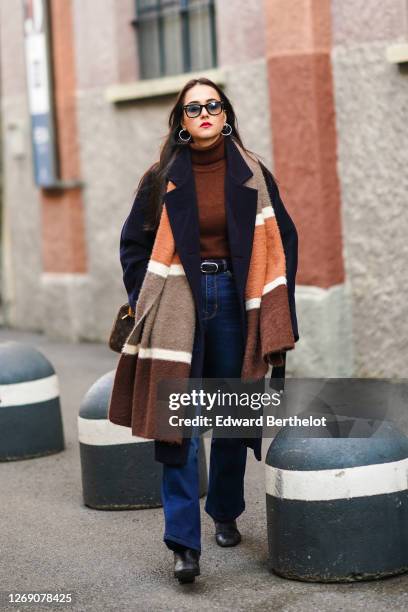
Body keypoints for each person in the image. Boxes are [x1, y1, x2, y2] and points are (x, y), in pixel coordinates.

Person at [114, 77, 299, 583]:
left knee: (234, 417)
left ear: (226, 114)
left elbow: (284, 236)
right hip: (181, 305)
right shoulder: (161, 178)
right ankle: (183, 544)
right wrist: (148, 299)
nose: (203, 113)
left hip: (238, 304)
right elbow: (133, 245)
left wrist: (277, 304)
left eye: (212, 105)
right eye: (193, 107)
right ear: (180, 121)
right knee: (180, 430)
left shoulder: (253, 172)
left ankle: (224, 510)